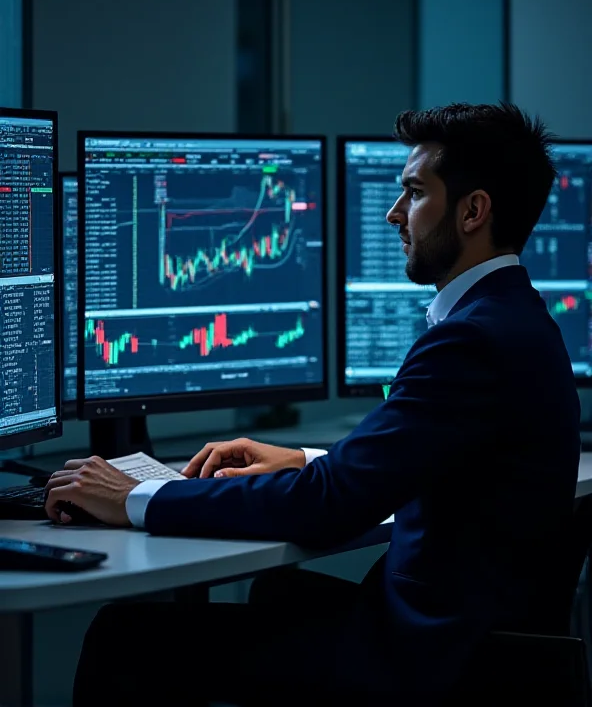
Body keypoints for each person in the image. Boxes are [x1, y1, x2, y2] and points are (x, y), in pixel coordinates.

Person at [46, 103, 581, 706]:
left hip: (435, 659)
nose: (394, 214)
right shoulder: (514, 315)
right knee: (278, 595)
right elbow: (432, 458)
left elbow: (327, 508)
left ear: (473, 210)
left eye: (413, 192)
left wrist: (137, 498)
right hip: (471, 628)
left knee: (127, 638)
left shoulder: (473, 338)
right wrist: (305, 458)